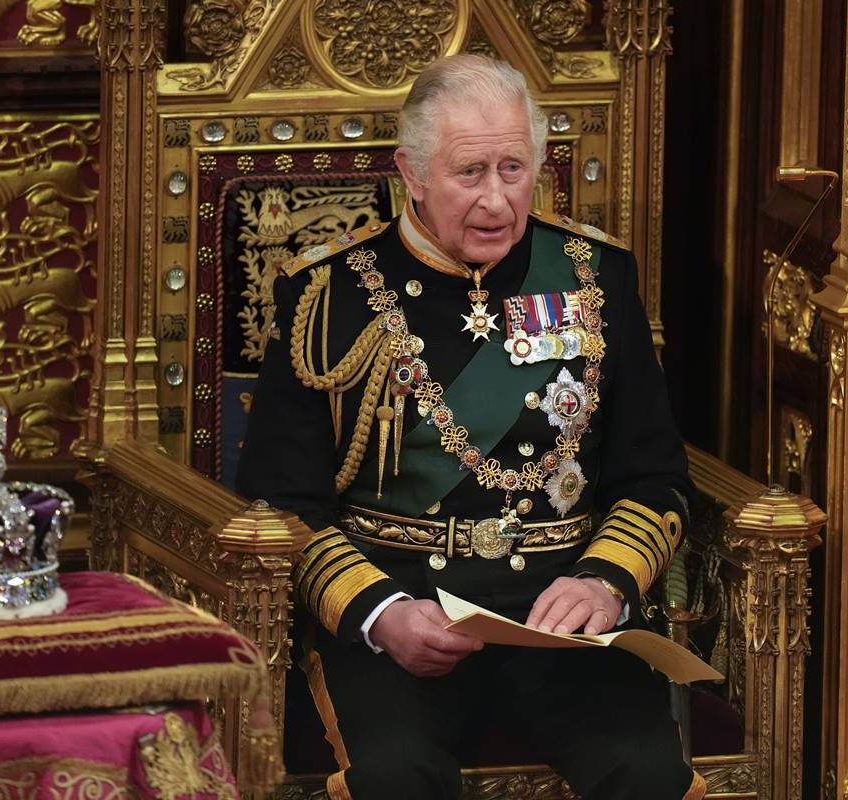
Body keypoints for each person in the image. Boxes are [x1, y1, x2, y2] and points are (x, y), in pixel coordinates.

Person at [236, 53, 703, 800]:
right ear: (411, 174)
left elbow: (653, 477)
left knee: (646, 774)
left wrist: (607, 580)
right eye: (469, 173)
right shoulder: (328, 295)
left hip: (565, 621)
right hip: (404, 614)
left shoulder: (594, 277)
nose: (496, 201)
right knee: (393, 778)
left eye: (514, 169)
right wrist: (379, 613)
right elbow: (281, 505)